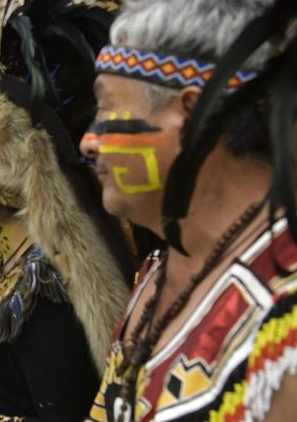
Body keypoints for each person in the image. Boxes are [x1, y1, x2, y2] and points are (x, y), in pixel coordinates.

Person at [76, 1, 297, 420]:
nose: (89, 141)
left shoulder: (285, 326)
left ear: (191, 111)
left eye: (105, 108)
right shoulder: (157, 275)